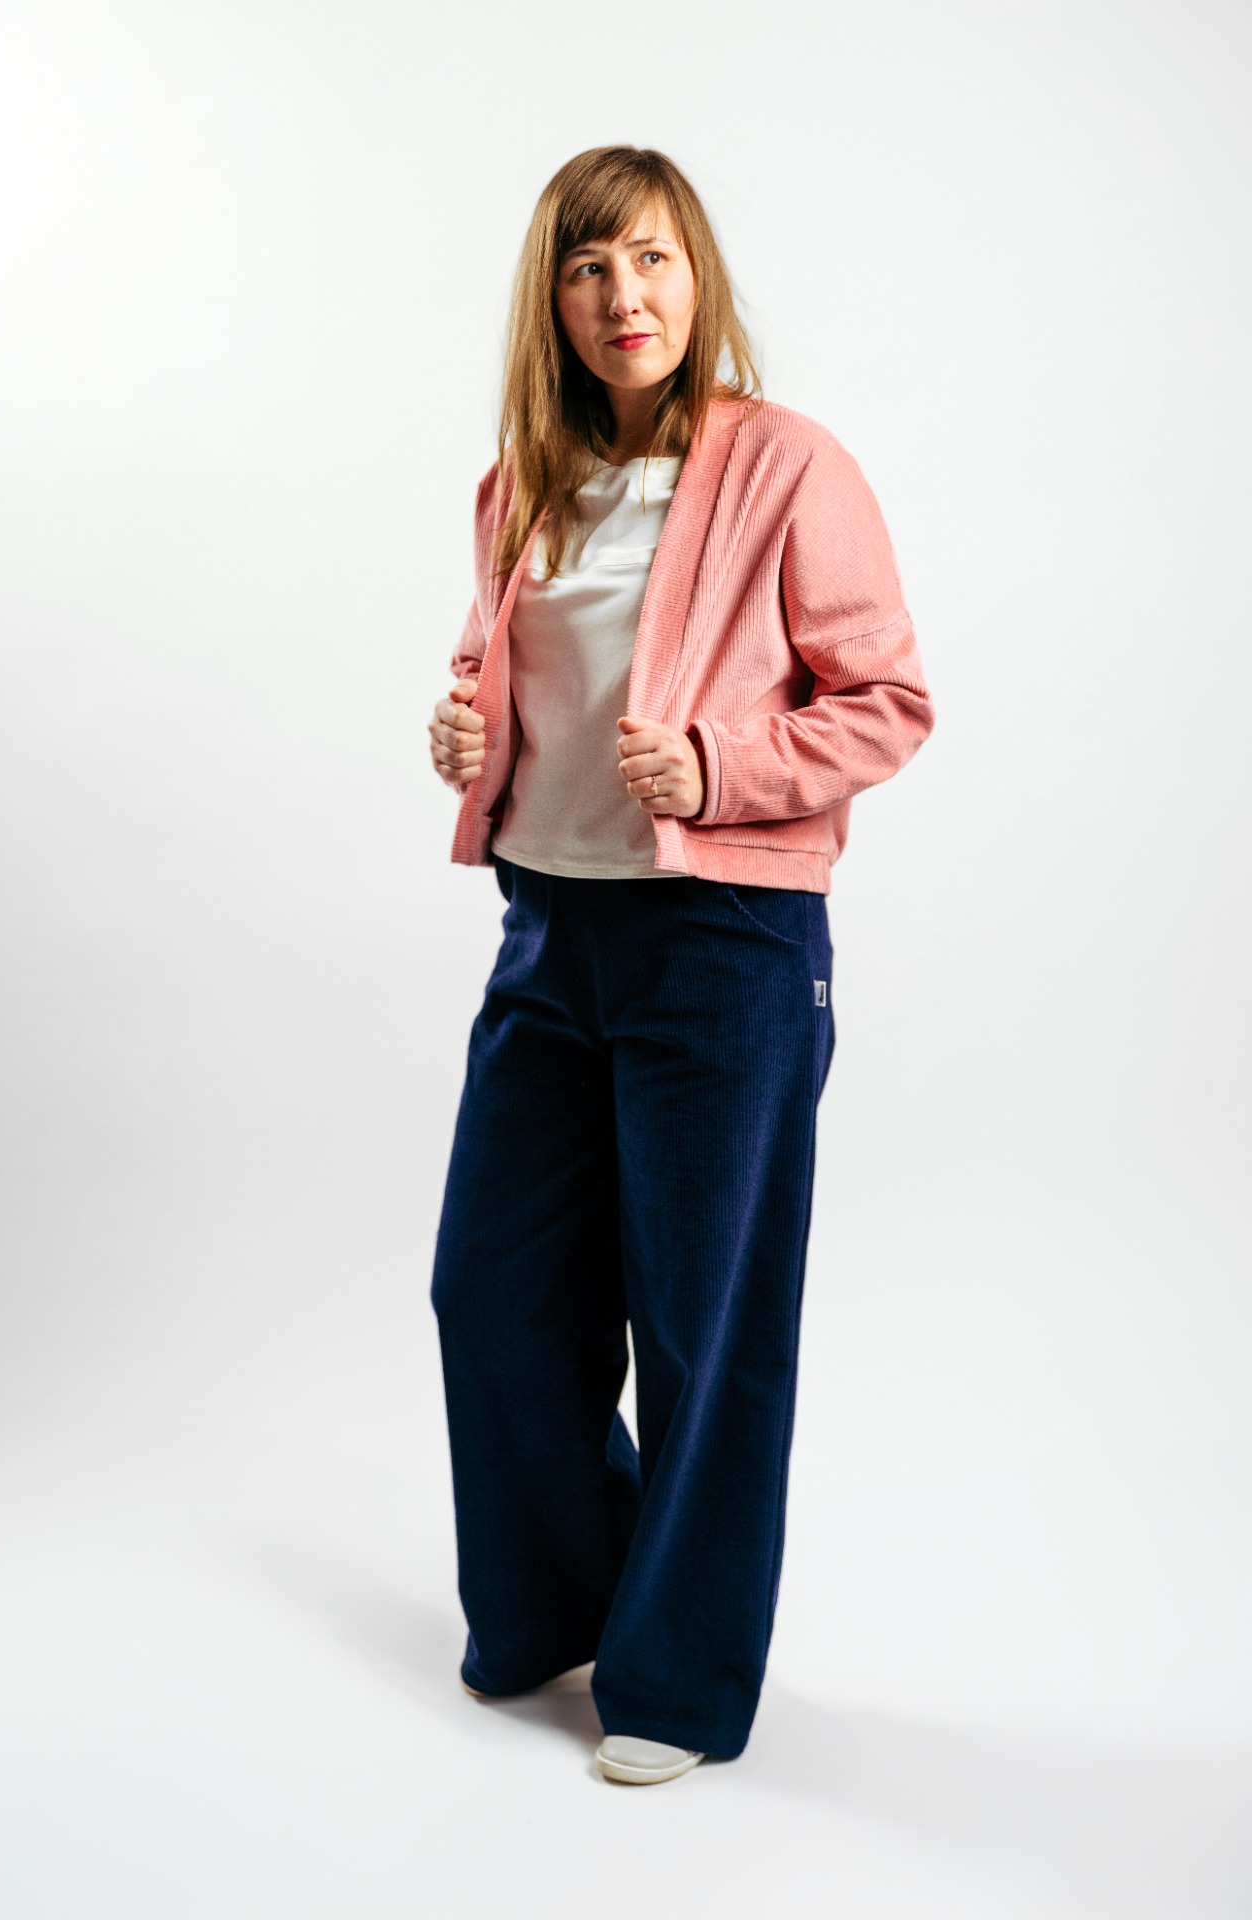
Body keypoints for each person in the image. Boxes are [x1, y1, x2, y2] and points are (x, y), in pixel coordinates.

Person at [426, 145, 935, 1786]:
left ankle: (679, 1681)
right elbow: (516, 674)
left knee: (703, 1322)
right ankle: (563, 1605)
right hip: (547, 933)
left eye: (646, 258)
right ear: (553, 300)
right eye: (586, 269)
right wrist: (465, 731)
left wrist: (720, 770)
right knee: (493, 1290)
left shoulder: (786, 465)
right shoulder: (521, 485)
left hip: (724, 942)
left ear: (694, 273)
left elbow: (887, 702)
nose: (620, 296)